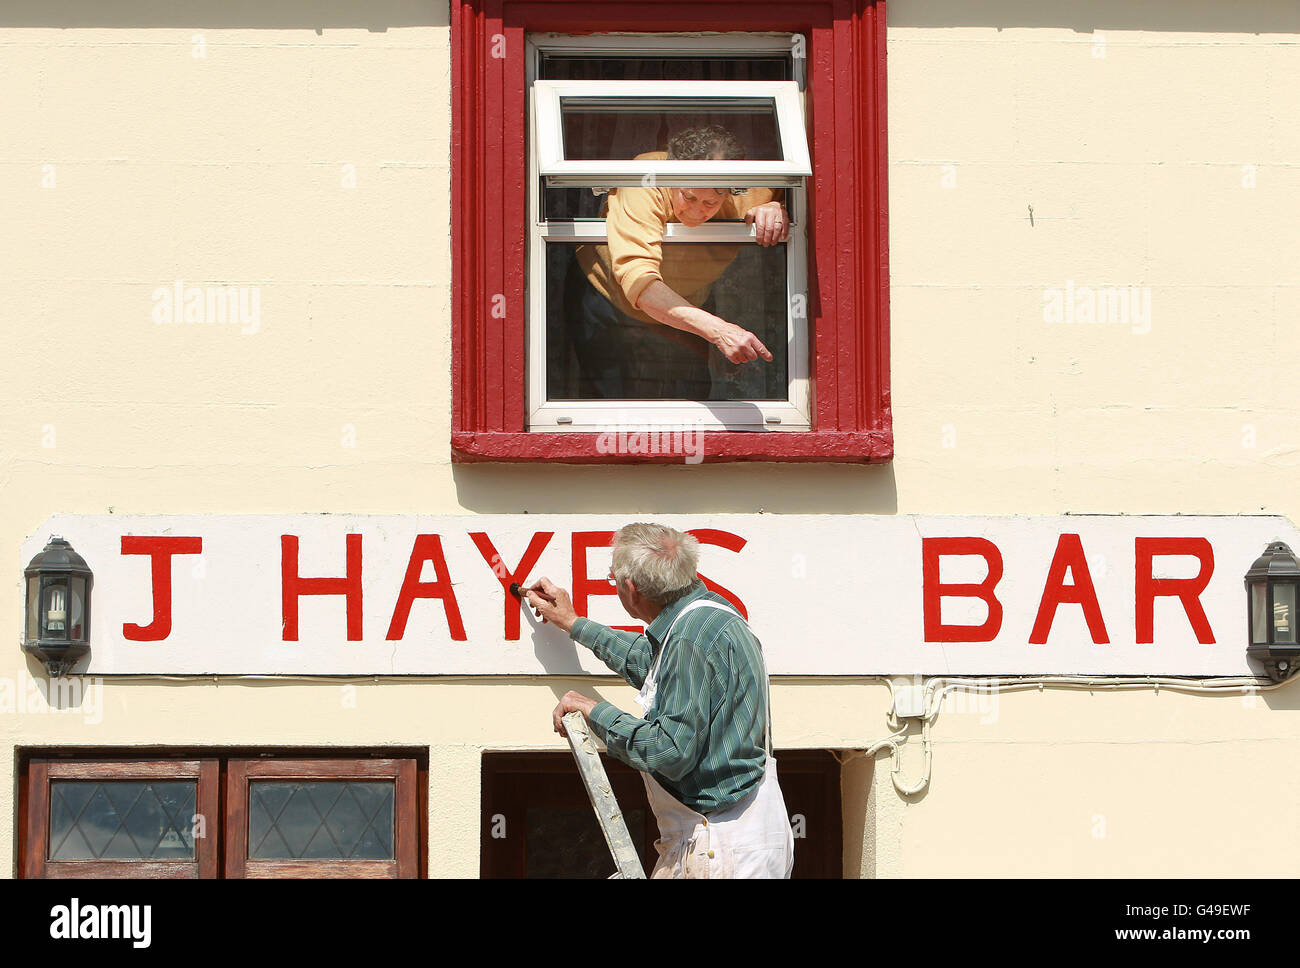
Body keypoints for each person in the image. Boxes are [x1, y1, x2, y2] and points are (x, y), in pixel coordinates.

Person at [525, 522, 794, 879]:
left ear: (631, 589)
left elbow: (668, 752)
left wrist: (595, 712)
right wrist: (574, 623)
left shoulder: (687, 640)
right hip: (745, 834)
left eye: (613, 580)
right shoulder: (711, 615)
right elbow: (653, 665)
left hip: (720, 846)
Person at [565, 124, 790, 399]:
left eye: (710, 203)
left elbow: (792, 190)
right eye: (689, 196)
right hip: (607, 297)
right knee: (617, 403)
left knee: (691, 397)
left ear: (731, 190)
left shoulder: (749, 190)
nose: (696, 211)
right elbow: (640, 282)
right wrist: (719, 331)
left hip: (688, 297)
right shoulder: (644, 179)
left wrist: (776, 208)